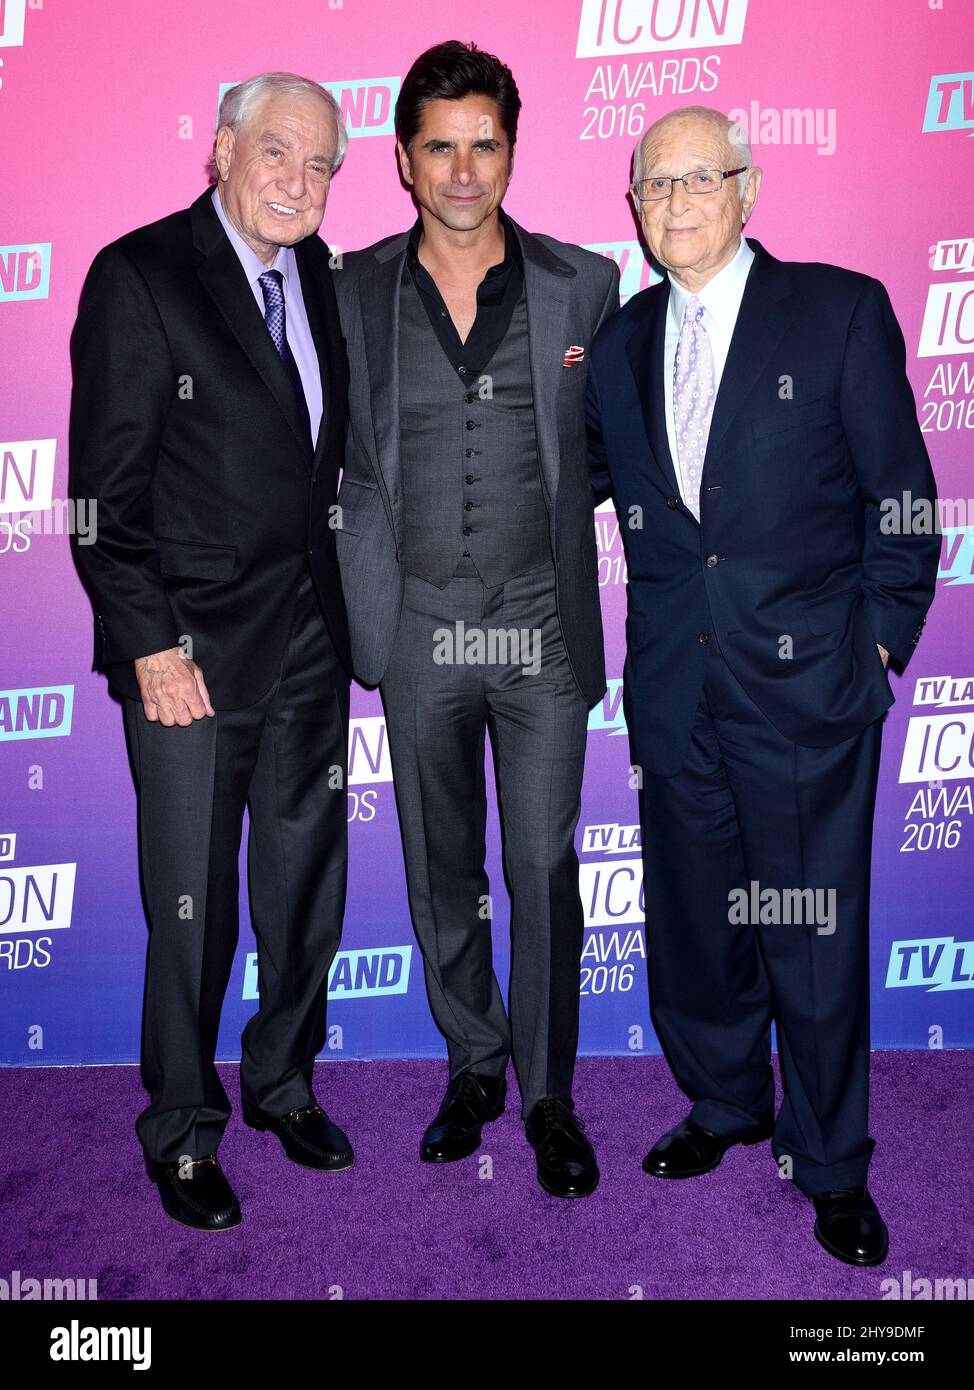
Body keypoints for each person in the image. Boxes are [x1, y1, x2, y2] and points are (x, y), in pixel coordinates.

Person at [586, 105, 939, 1262]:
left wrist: (877, 647)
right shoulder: (624, 343)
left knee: (812, 936)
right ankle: (727, 1102)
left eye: (699, 179)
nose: (674, 203)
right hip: (675, 693)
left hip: (807, 695)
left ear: (748, 190)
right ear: (631, 208)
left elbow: (901, 500)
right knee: (696, 924)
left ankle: (830, 1158)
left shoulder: (835, 311)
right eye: (653, 186)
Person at [68, 72, 355, 1231]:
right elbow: (100, 497)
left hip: (310, 643)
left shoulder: (322, 280)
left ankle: (281, 1084)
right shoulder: (139, 275)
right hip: (186, 654)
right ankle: (182, 1130)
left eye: (321, 164)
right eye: (277, 153)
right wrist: (148, 646)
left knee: (301, 893)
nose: (298, 180)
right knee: (191, 908)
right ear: (223, 152)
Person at [334, 40, 619, 1198]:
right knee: (439, 861)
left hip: (538, 619)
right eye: (438, 148)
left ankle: (548, 1093)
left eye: (482, 145)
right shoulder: (347, 288)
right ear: (403, 160)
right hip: (413, 621)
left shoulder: (581, 284)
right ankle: (473, 1059)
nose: (462, 171)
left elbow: (613, 449)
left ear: (511, 150)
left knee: (543, 861)